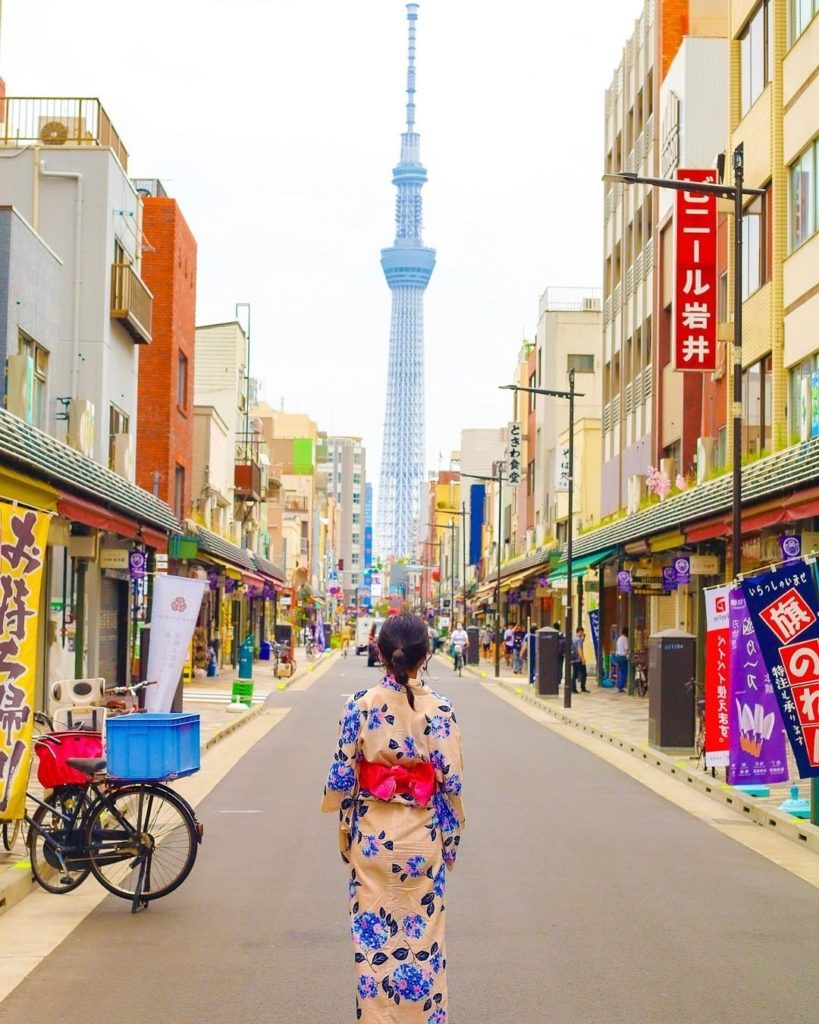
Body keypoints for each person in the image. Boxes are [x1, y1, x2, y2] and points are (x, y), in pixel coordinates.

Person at [321, 613, 465, 1024]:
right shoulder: (440, 709)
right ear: (427, 655)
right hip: (422, 839)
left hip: (373, 837)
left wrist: (345, 823)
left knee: (374, 946)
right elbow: (451, 782)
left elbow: (340, 778)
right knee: (424, 942)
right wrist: (448, 843)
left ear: (380, 653)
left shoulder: (359, 706)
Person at [571, 626, 588, 693]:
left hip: (574, 658)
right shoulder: (579, 640)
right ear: (580, 631)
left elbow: (579, 645)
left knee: (575, 674)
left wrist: (583, 638)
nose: (582, 633)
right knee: (583, 673)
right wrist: (583, 659)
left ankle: (573, 688)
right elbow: (579, 649)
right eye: (582, 632)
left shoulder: (574, 638)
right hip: (578, 659)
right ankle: (581, 688)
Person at [614, 625, 630, 693]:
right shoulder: (625, 639)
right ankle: (621, 686)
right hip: (623, 657)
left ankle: (619, 685)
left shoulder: (619, 638)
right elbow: (626, 648)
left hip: (618, 656)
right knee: (624, 672)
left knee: (620, 671)